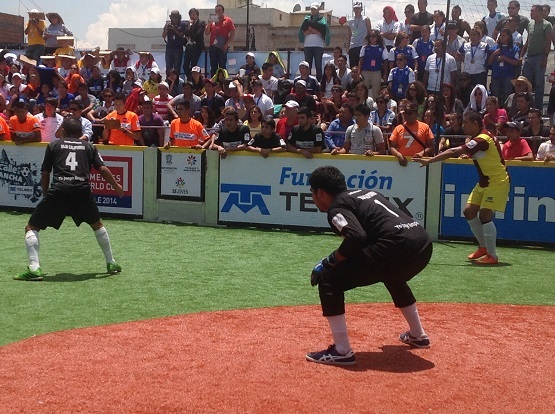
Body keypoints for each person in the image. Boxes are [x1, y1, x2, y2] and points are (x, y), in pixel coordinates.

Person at [305, 165, 433, 365]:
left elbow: (356, 237)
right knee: (392, 273)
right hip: (423, 244)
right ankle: (418, 334)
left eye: (312, 193)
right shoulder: (366, 192)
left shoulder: (336, 208)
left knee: (329, 279)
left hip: (397, 247)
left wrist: (328, 262)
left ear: (320, 192)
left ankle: (342, 351)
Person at [15, 116, 123, 281]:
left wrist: (45, 193)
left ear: (63, 131)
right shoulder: (89, 146)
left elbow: (45, 173)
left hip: (59, 190)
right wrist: (116, 186)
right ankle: (111, 262)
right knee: (97, 225)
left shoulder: (54, 145)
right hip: (82, 190)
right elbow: (102, 168)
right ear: (80, 132)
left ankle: (34, 268)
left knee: (31, 227)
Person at [414, 110, 509, 265]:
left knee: (485, 215)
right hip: (485, 181)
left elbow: (453, 151)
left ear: (476, 124)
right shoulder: (478, 138)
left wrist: (430, 161)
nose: (463, 125)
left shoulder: (481, 140)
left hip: (497, 181)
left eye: (466, 123)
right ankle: (483, 247)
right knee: (469, 211)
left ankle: (493, 256)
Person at [521, 5, 553, 110]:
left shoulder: (547, 25)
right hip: (529, 56)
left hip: (539, 56)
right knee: (525, 81)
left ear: (539, 12)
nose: (530, 13)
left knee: (539, 83)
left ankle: (537, 108)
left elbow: (548, 42)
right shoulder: (530, 24)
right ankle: (525, 105)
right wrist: (522, 54)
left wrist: (545, 58)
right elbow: (528, 40)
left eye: (533, 11)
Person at [488, 28, 521, 107]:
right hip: (496, 76)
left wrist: (504, 58)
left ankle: (506, 112)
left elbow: (517, 62)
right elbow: (489, 62)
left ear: (509, 37)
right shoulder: (494, 48)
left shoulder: (514, 48)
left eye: (504, 36)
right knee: (495, 95)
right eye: (500, 35)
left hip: (508, 76)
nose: (501, 37)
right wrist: (494, 54)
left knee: (507, 95)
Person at [299, 2, 331, 81]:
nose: (313, 11)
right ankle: (307, 80)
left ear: (318, 9)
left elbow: (322, 32)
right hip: (307, 45)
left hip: (318, 46)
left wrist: (312, 29)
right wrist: (314, 31)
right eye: (312, 9)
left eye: (314, 9)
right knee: (307, 65)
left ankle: (319, 81)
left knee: (318, 65)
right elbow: (304, 31)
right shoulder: (306, 19)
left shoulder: (322, 19)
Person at [205, 4, 235, 78]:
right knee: (213, 67)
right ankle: (213, 84)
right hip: (213, 47)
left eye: (219, 11)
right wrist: (209, 23)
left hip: (222, 46)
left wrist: (226, 44)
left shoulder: (228, 20)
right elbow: (207, 33)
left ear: (223, 11)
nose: (217, 12)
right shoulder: (212, 21)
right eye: (216, 11)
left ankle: (223, 83)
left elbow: (232, 35)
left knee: (222, 66)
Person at [182, 8, 205, 82]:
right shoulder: (188, 24)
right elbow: (185, 33)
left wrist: (191, 33)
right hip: (188, 46)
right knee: (185, 65)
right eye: (191, 15)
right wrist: (189, 26)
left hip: (197, 46)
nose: (192, 16)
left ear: (197, 15)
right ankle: (190, 78)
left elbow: (198, 34)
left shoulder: (201, 23)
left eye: (194, 14)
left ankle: (195, 80)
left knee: (193, 65)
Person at [347, 2, 372, 69]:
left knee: (363, 66)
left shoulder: (366, 19)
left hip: (363, 45)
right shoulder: (350, 21)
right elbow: (349, 34)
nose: (357, 10)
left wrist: (370, 44)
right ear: (353, 9)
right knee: (353, 67)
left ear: (361, 9)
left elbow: (370, 32)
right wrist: (348, 46)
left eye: (358, 8)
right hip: (353, 46)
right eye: (355, 8)